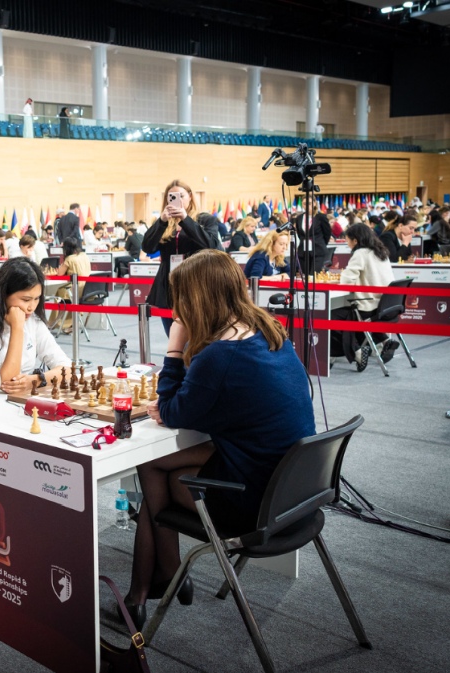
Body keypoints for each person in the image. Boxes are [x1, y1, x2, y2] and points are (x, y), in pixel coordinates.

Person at [120, 250, 315, 631]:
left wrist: (175, 345)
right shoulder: (267, 330)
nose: (176, 307)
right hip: (295, 490)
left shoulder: (220, 356)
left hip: (255, 504)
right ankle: (156, 583)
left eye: (179, 297)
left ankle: (157, 583)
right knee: (153, 468)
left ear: (194, 299)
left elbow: (171, 410)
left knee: (154, 475)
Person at [0, 257, 72, 398]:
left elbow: (68, 369)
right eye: (26, 299)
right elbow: (7, 383)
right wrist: (17, 327)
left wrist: (36, 380)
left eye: (37, 299)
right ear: (4, 295)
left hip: (19, 399)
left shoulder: (33, 321)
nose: (32, 307)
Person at [142, 180, 213, 335]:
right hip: (168, 284)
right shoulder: (163, 222)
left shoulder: (204, 220)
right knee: (172, 335)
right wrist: (161, 222)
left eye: (181, 196)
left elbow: (211, 245)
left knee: (197, 335)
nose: (177, 200)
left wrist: (185, 220)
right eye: (172, 196)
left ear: (190, 197)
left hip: (196, 281)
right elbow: (147, 247)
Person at [330, 223, 397, 370]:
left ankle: (357, 351)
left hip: (368, 307)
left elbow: (346, 281)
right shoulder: (381, 252)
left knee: (329, 316)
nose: (347, 244)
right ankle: (384, 340)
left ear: (355, 240)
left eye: (348, 241)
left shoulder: (360, 253)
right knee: (348, 315)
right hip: (386, 307)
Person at [48, 237, 90, 334]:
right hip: (86, 289)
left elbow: (59, 274)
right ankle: (69, 323)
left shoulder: (69, 259)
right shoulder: (84, 255)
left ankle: (53, 323)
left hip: (74, 290)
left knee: (59, 293)